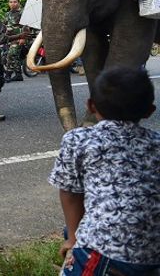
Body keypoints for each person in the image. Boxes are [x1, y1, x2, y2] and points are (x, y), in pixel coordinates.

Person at [49, 67, 159, 275]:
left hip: (104, 253)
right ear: (149, 111)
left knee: (74, 230)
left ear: (91, 105)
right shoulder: (157, 143)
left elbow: (70, 193)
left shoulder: (78, 139)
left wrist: (72, 239)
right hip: (153, 255)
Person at [3, 0, 25, 82]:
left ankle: (8, 75)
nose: (13, 3)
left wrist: (23, 38)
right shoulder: (7, 14)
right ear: (8, 3)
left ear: (18, 3)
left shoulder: (22, 13)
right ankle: (18, 75)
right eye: (11, 2)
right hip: (9, 39)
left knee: (10, 55)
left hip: (19, 38)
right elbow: (4, 25)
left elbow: (26, 26)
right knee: (15, 57)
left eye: (15, 2)